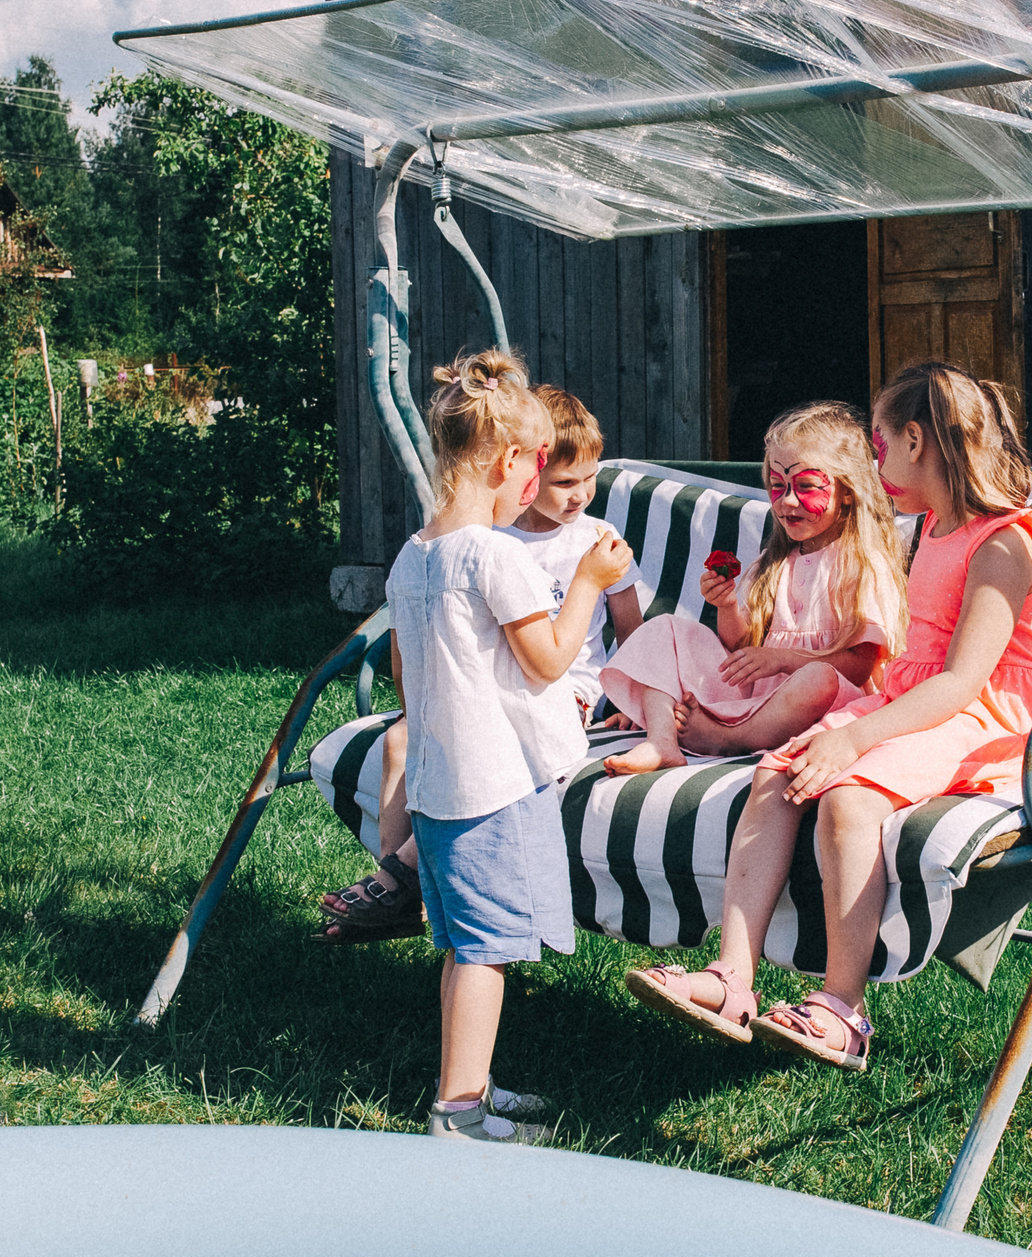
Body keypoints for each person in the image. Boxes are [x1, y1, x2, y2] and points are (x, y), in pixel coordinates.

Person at [625, 362, 1032, 1070]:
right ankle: (731, 976)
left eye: (883, 442)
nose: (877, 458)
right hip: (915, 698)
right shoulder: (933, 522)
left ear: (919, 442)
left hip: (987, 718)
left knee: (848, 795)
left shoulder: (1006, 542)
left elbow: (962, 681)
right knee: (780, 772)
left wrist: (858, 736)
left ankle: (842, 1007)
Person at [381, 348, 632, 1141]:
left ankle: (470, 1086)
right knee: (487, 950)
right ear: (503, 461)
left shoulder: (413, 555)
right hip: (494, 783)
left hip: (437, 782)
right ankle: (458, 1111)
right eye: (536, 465)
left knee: (460, 944)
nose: (539, 482)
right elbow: (552, 658)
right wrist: (589, 580)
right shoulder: (496, 555)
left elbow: (404, 672)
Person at [321, 385, 642, 943]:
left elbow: (625, 636)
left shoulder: (593, 541)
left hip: (566, 690)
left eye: (591, 479)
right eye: (561, 479)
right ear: (518, 466)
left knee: (477, 754)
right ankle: (399, 883)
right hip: (484, 694)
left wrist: (632, 700)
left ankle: (401, 873)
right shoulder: (489, 542)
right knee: (401, 740)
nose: (580, 495)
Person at [597, 400, 904, 775]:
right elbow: (741, 648)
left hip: (827, 705)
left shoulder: (862, 565)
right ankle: (662, 739)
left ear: (847, 491)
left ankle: (729, 740)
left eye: (806, 486)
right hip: (757, 697)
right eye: (777, 486)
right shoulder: (772, 562)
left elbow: (858, 667)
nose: (788, 500)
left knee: (817, 678)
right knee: (664, 628)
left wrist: (784, 660)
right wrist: (727, 607)